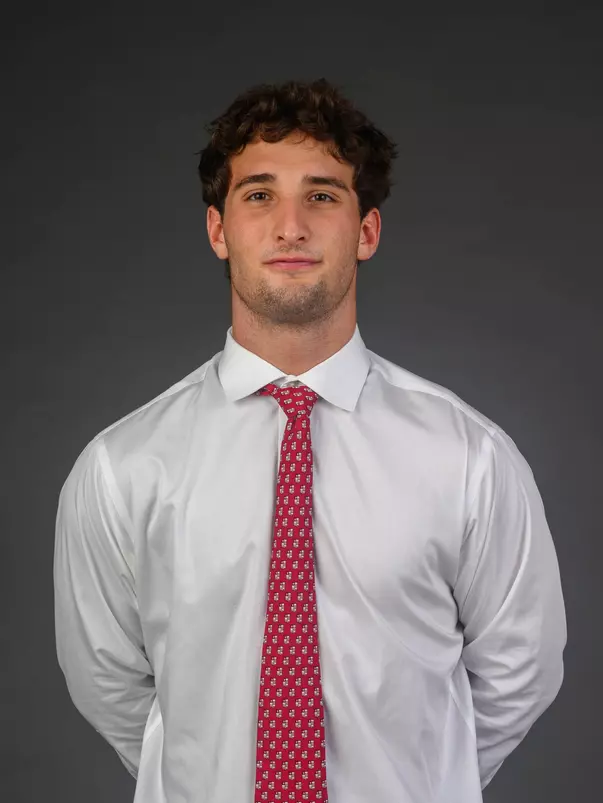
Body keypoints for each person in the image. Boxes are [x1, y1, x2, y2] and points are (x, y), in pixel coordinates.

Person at [53, 77, 567, 803]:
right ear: (217, 229)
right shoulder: (124, 466)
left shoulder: (467, 456)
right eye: (258, 195)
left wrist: (420, 776)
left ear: (365, 231)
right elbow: (106, 678)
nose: (289, 226)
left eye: (322, 195)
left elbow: (523, 666)